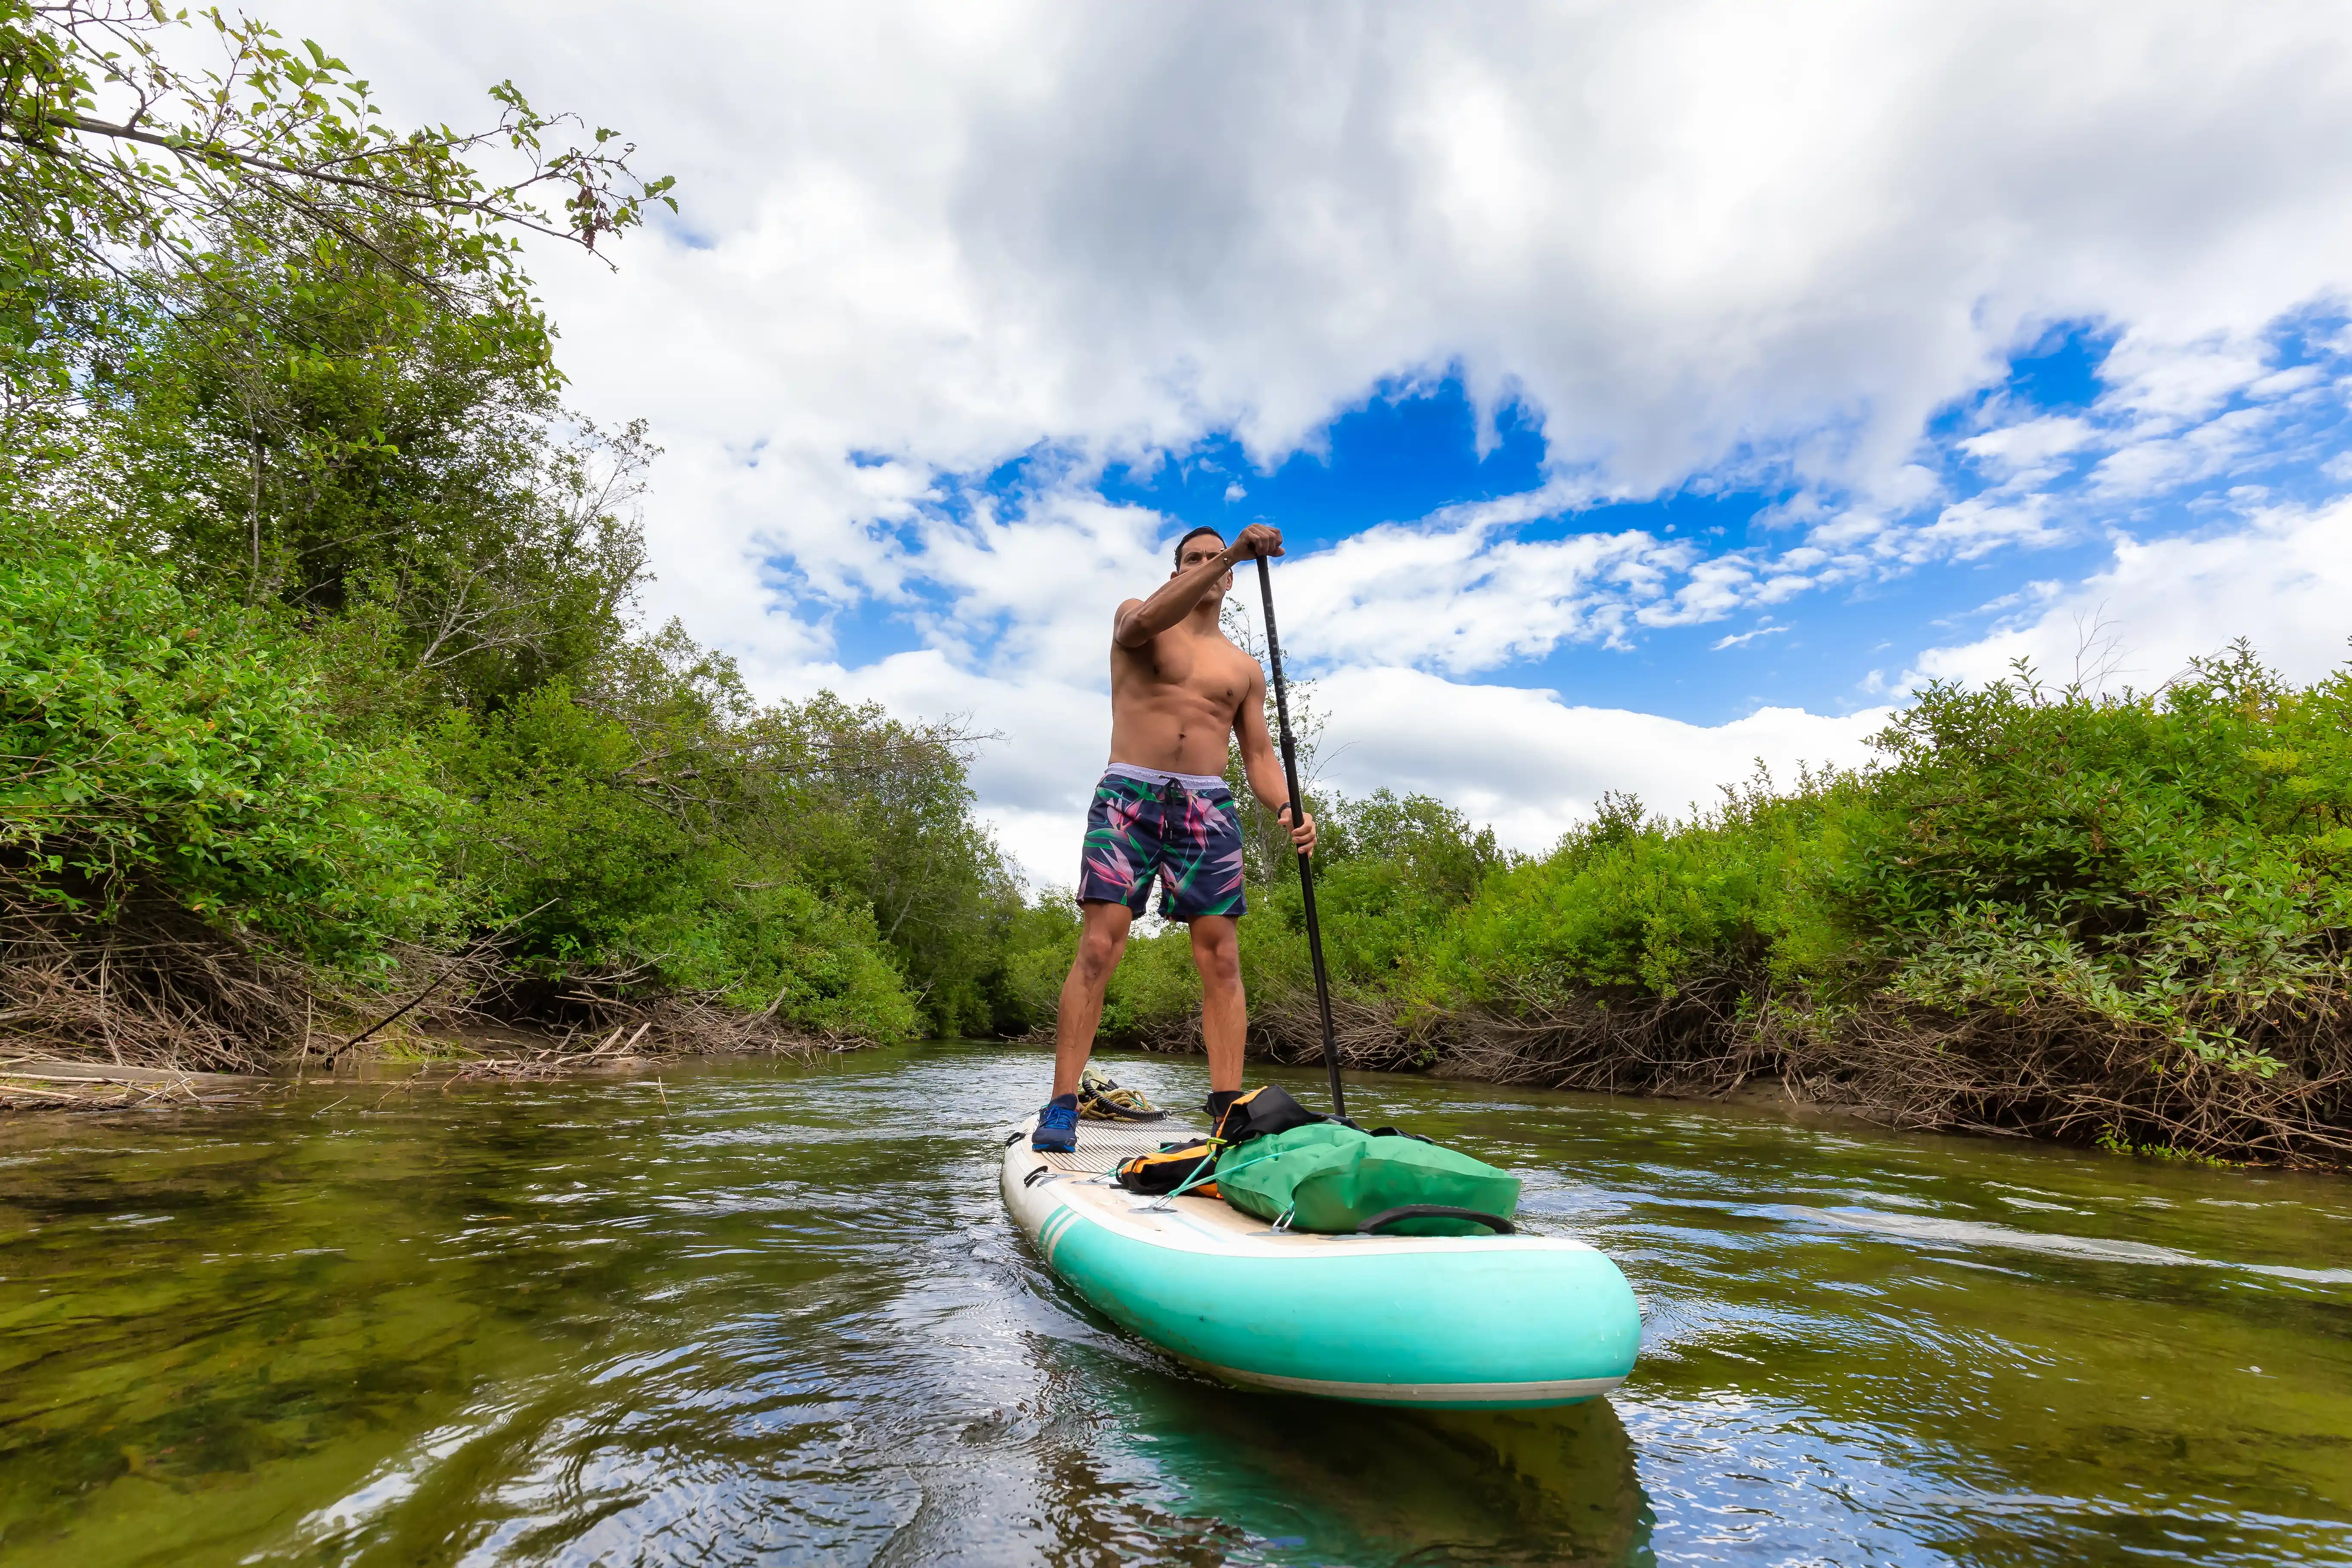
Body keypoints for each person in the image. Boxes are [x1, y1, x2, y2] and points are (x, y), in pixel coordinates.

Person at [1031, 522, 1317, 1152]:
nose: (1209, 566)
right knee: (1101, 946)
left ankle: (1226, 1110)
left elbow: (1260, 756)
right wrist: (1235, 550)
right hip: (1127, 798)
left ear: (1234, 580)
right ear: (1175, 572)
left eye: (1218, 560)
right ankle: (1061, 1103)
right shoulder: (1139, 617)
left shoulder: (1242, 669)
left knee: (1222, 956)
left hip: (1206, 807)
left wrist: (1287, 807)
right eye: (1195, 559)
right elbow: (1137, 628)